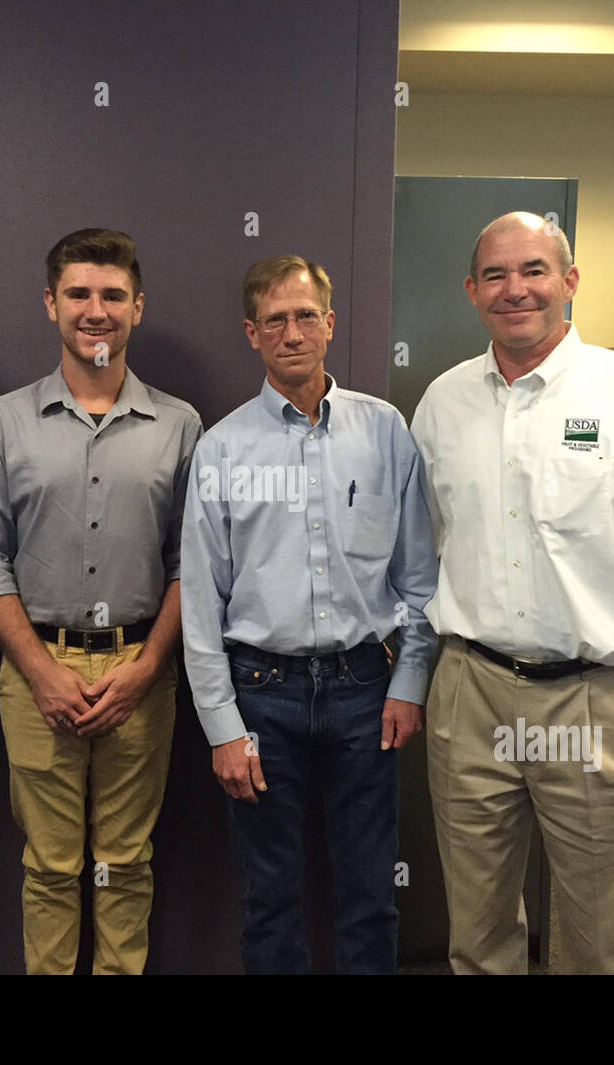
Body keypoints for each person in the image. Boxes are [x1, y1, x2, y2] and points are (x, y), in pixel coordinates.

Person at [410, 210, 614, 974]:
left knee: (600, 934)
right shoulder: (442, 405)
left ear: (569, 280)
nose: (515, 289)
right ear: (471, 290)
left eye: (533, 270)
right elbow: (429, 546)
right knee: (478, 925)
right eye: (495, 274)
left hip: (597, 700)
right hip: (473, 690)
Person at [181, 255, 438, 974]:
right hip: (262, 695)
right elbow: (202, 603)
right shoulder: (222, 448)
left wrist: (410, 682)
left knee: (369, 893)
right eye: (274, 320)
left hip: (367, 692)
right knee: (270, 899)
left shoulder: (386, 432)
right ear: (251, 334)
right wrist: (223, 728)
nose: (291, 332)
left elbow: (419, 575)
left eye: (305, 316)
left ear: (330, 323)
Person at [0, 229, 200, 975]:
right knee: (51, 867)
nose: (96, 311)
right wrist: (39, 670)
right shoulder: (4, 421)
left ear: (138, 306)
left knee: (126, 863)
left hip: (142, 669)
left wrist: (148, 666)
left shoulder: (180, 424)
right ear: (51, 303)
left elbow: (192, 564)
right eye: (79, 294)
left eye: (112, 295)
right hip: (37, 671)